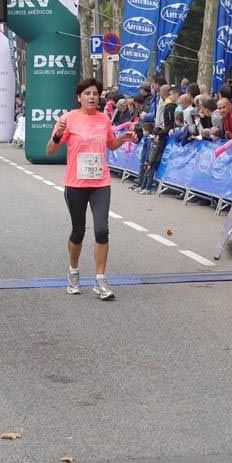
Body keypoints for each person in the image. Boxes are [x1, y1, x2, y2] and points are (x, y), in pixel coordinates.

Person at [47, 78, 139, 301]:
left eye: (95, 94)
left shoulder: (104, 119)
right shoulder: (67, 119)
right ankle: (73, 272)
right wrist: (57, 135)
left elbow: (110, 144)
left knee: (101, 230)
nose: (92, 97)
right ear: (79, 97)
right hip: (76, 183)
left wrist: (123, 138)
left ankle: (100, 280)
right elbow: (50, 150)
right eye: (87, 93)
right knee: (78, 231)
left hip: (100, 183)